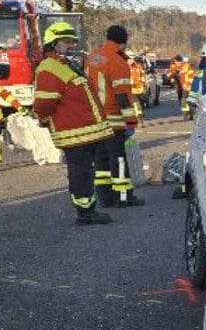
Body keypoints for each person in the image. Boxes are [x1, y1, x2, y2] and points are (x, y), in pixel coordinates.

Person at [33, 22, 114, 226]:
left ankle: (89, 208)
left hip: (85, 132)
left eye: (73, 42)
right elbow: (43, 104)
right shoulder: (49, 68)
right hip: (74, 133)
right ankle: (85, 213)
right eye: (66, 42)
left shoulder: (65, 65)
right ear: (53, 44)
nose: (71, 45)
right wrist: (44, 120)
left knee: (85, 172)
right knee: (81, 173)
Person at [85, 24, 145, 208]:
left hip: (95, 117)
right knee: (118, 159)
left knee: (100, 160)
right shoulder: (118, 62)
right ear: (123, 42)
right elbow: (122, 97)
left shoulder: (92, 57)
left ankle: (105, 198)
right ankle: (123, 197)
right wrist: (131, 121)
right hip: (113, 118)